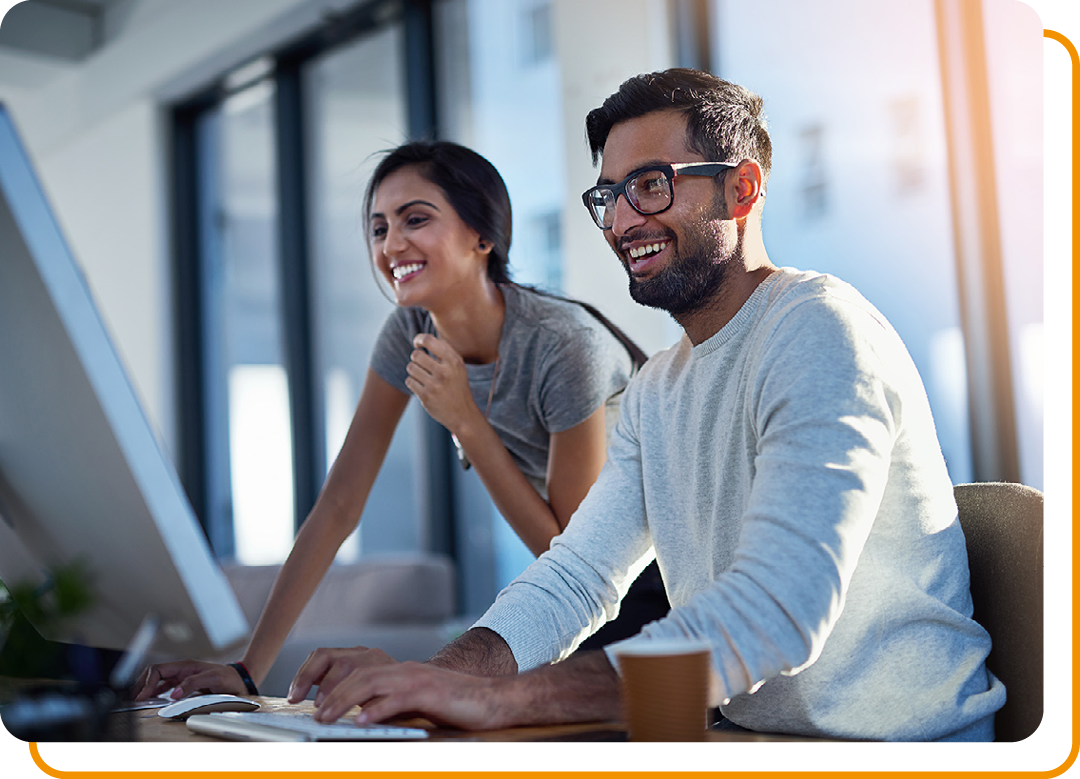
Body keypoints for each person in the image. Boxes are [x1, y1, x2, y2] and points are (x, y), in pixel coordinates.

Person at [282, 69, 1006, 743]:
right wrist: (433, 679)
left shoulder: (818, 330)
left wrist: (501, 699)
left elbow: (778, 613)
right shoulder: (660, 387)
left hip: (902, 750)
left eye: (651, 185)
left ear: (742, 190)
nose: (623, 219)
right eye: (609, 195)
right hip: (749, 744)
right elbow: (576, 577)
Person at [133, 140, 666, 701]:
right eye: (379, 228)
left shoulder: (563, 346)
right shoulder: (408, 330)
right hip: (577, 595)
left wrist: (466, 423)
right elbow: (338, 506)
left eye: (416, 219)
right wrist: (246, 671)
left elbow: (567, 552)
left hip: (657, 576)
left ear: (482, 237)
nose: (392, 244)